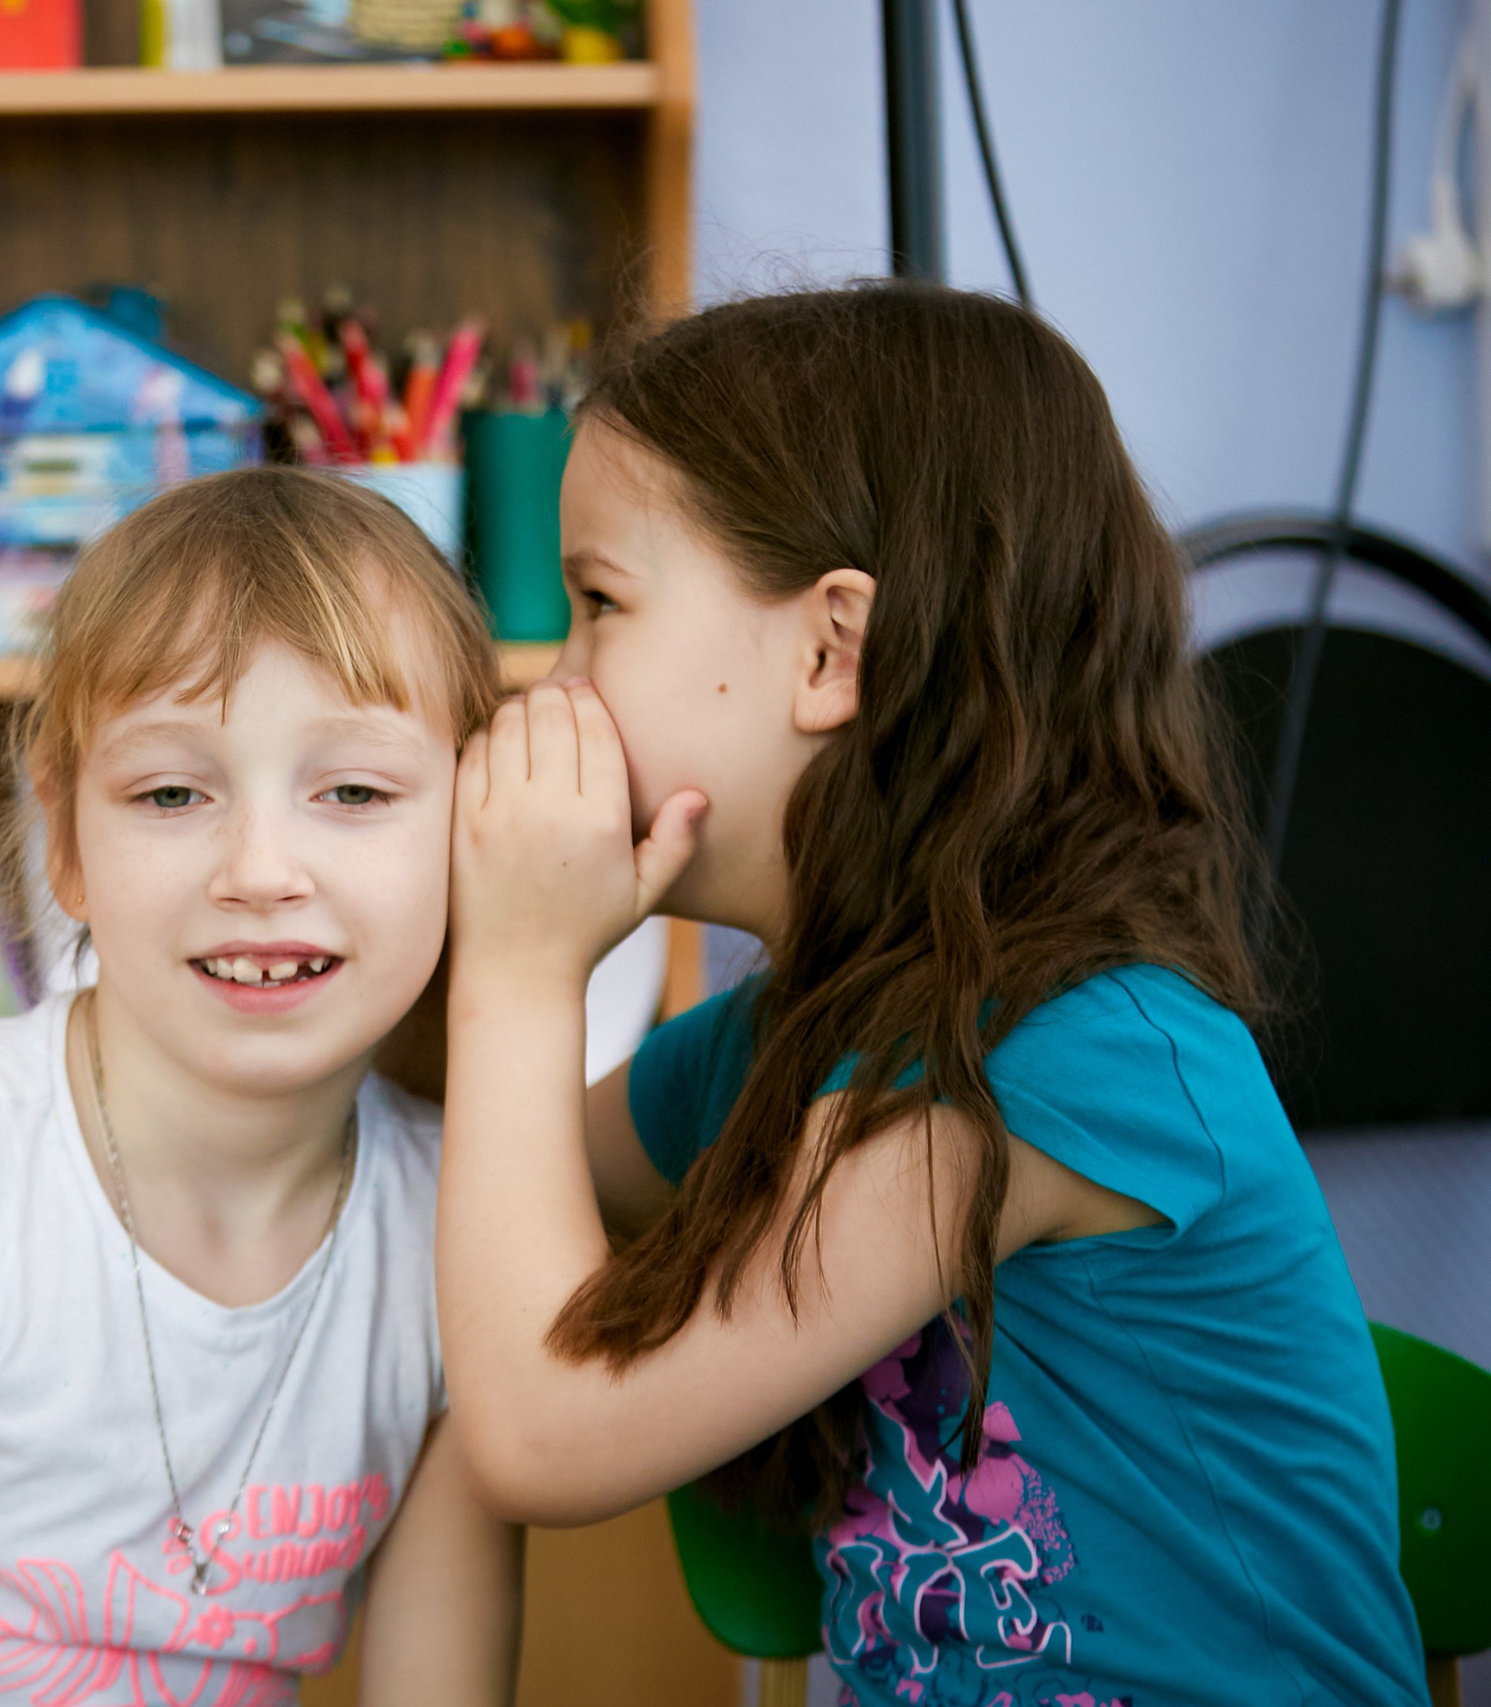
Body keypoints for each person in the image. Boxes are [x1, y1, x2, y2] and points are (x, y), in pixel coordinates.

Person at [437, 284, 1427, 1705]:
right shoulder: (788, 1045)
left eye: (599, 606)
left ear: (832, 649)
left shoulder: (1057, 1061)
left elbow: (544, 1435)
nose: (557, 681)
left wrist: (521, 968)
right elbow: (471, 1174)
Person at [0, 468, 523, 1707]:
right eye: (172, 794)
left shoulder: (465, 1231)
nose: (260, 871)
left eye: (353, 792)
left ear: (475, 826)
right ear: (63, 838)